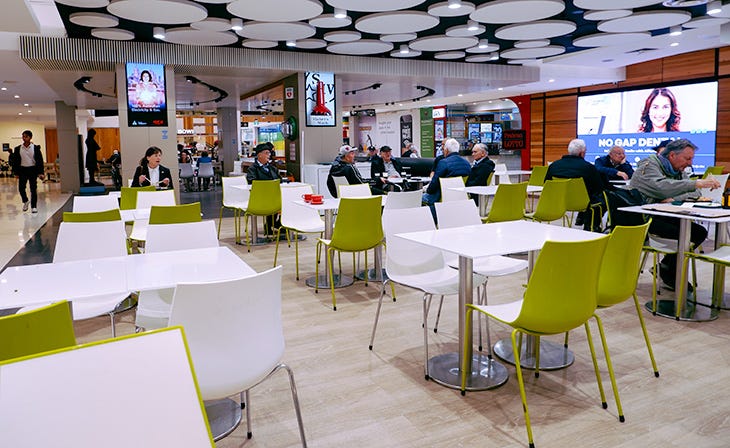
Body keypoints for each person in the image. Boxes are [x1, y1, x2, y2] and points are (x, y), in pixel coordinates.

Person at [630, 138, 721, 290]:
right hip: (642, 219)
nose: (690, 163)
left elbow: (695, 192)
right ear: (672, 155)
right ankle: (669, 273)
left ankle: (665, 267)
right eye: (687, 158)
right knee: (683, 234)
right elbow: (661, 187)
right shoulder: (649, 165)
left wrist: (673, 197)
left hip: (666, 215)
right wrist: (692, 184)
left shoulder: (678, 170)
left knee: (698, 232)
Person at [545, 138, 605, 231]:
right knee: (601, 199)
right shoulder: (589, 167)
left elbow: (546, 184)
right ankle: (591, 226)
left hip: (558, 202)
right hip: (582, 203)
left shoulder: (554, 166)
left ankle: (581, 218)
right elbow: (599, 188)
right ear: (582, 153)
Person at [422, 138, 470, 219]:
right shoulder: (467, 163)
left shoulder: (443, 163)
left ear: (446, 150)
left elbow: (434, 184)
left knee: (419, 198)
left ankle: (429, 221)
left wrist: (427, 191)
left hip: (442, 196)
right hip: (460, 197)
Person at [10, 130, 44, 213]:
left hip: (32, 170)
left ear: (30, 137)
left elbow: (39, 161)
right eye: (23, 136)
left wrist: (41, 173)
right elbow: (15, 161)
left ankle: (34, 206)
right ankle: (25, 201)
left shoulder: (35, 148)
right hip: (22, 170)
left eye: (26, 136)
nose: (24, 138)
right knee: (21, 188)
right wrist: (16, 172)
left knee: (33, 189)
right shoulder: (18, 148)